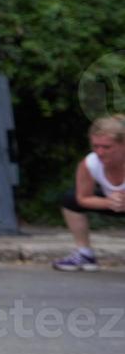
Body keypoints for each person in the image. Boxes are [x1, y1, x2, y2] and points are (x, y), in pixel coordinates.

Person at [52, 115, 125, 271]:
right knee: (70, 199)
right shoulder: (89, 163)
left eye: (107, 147)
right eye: (95, 146)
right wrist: (109, 202)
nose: (100, 152)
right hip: (114, 203)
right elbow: (82, 198)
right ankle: (84, 254)